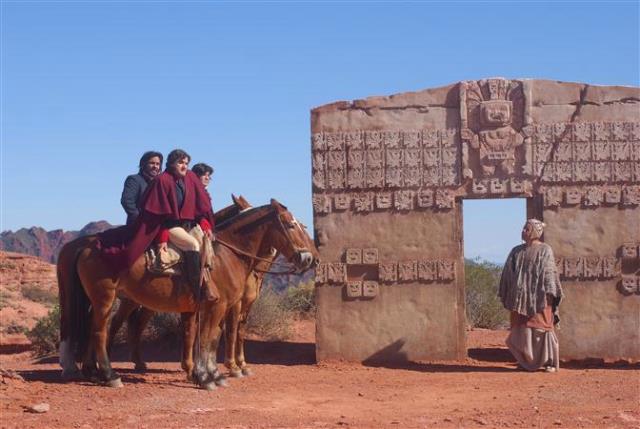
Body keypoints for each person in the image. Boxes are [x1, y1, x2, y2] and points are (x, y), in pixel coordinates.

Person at [99, 149, 218, 302]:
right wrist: (161, 236)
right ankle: (196, 290)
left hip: (187, 225)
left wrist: (206, 226)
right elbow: (156, 213)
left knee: (207, 244)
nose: (184, 166)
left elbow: (198, 207)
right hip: (168, 225)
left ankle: (209, 284)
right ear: (172, 164)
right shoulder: (160, 181)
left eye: (186, 163)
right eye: (180, 162)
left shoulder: (188, 179)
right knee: (193, 245)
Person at [498, 219, 563, 372]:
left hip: (540, 297)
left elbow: (549, 273)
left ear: (535, 231)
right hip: (520, 298)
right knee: (521, 329)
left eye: (526, 229)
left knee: (542, 327)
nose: (523, 231)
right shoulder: (516, 251)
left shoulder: (545, 250)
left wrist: (548, 293)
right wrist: (511, 291)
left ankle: (550, 362)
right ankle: (525, 360)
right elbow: (508, 273)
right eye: (523, 228)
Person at [121, 151, 163, 226]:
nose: (155, 166)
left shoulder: (160, 183)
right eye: (152, 163)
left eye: (158, 164)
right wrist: (139, 218)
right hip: (138, 226)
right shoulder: (134, 180)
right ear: (143, 164)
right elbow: (127, 201)